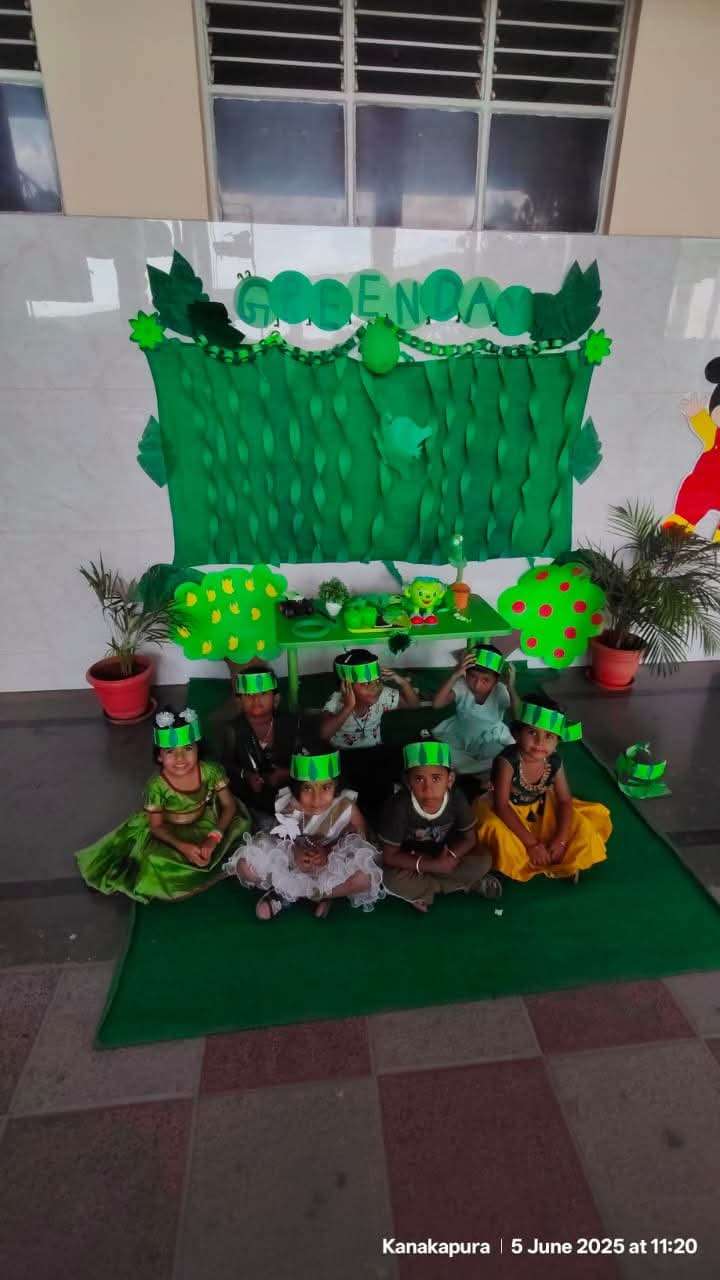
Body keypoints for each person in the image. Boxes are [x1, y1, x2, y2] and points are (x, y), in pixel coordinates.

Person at [75, 707, 251, 903]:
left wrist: (213, 838)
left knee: (239, 827)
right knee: (153, 862)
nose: (180, 758)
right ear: (159, 756)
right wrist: (183, 847)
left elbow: (229, 805)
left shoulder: (211, 771)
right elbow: (157, 827)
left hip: (205, 822)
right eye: (170, 751)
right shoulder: (156, 786)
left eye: (187, 748)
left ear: (198, 748)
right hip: (167, 830)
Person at [225, 746, 383, 921]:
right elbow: (281, 839)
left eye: (326, 787)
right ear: (296, 787)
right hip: (295, 861)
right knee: (245, 867)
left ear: (337, 785)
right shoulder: (290, 805)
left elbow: (362, 841)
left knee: (366, 877)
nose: (316, 799)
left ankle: (300, 894)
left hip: (330, 863)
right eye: (307, 788)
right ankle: (304, 892)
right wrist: (296, 853)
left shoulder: (347, 807)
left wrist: (329, 853)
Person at [474, 693, 611, 882]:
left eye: (549, 736)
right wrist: (532, 845)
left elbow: (564, 800)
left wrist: (561, 840)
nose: (540, 742)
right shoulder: (506, 761)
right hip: (507, 811)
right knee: (495, 830)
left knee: (581, 826)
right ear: (516, 734)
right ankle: (513, 866)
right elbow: (501, 806)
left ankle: (565, 860)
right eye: (532, 732)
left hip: (540, 807)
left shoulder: (554, 761)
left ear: (557, 742)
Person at [377, 738, 501, 912]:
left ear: (450, 779)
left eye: (436, 778)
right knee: (389, 878)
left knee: (484, 859)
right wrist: (432, 865)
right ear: (408, 782)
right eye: (419, 779)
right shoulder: (398, 806)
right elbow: (390, 856)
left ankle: (426, 890)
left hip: (447, 853)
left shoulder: (456, 798)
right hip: (412, 861)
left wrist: (449, 858)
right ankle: (465, 885)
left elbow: (470, 839)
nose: (428, 788)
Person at [319, 649, 420, 812]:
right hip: (344, 755)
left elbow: (413, 705)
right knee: (355, 785)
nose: (374, 688)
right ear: (346, 686)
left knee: (399, 762)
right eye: (365, 684)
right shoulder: (336, 700)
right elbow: (323, 734)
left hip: (375, 752)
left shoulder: (383, 694)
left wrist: (402, 682)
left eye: (377, 681)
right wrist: (348, 707)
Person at [222, 669, 305, 830]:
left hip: (292, 793)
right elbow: (226, 764)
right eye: (248, 695)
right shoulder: (233, 729)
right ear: (239, 701)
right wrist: (247, 775)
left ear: (276, 698)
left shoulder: (292, 723)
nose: (255, 699)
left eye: (263, 693)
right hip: (252, 799)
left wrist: (286, 773)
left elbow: (309, 758)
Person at [433, 644, 516, 778]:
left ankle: (472, 771)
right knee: (444, 754)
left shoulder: (500, 690)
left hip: (491, 737)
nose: (477, 684)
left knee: (500, 755)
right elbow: (437, 704)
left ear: (496, 680)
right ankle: (478, 772)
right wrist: (455, 675)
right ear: (466, 673)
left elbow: (517, 716)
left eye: (485, 680)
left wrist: (511, 688)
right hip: (461, 733)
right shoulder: (462, 685)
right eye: (472, 676)